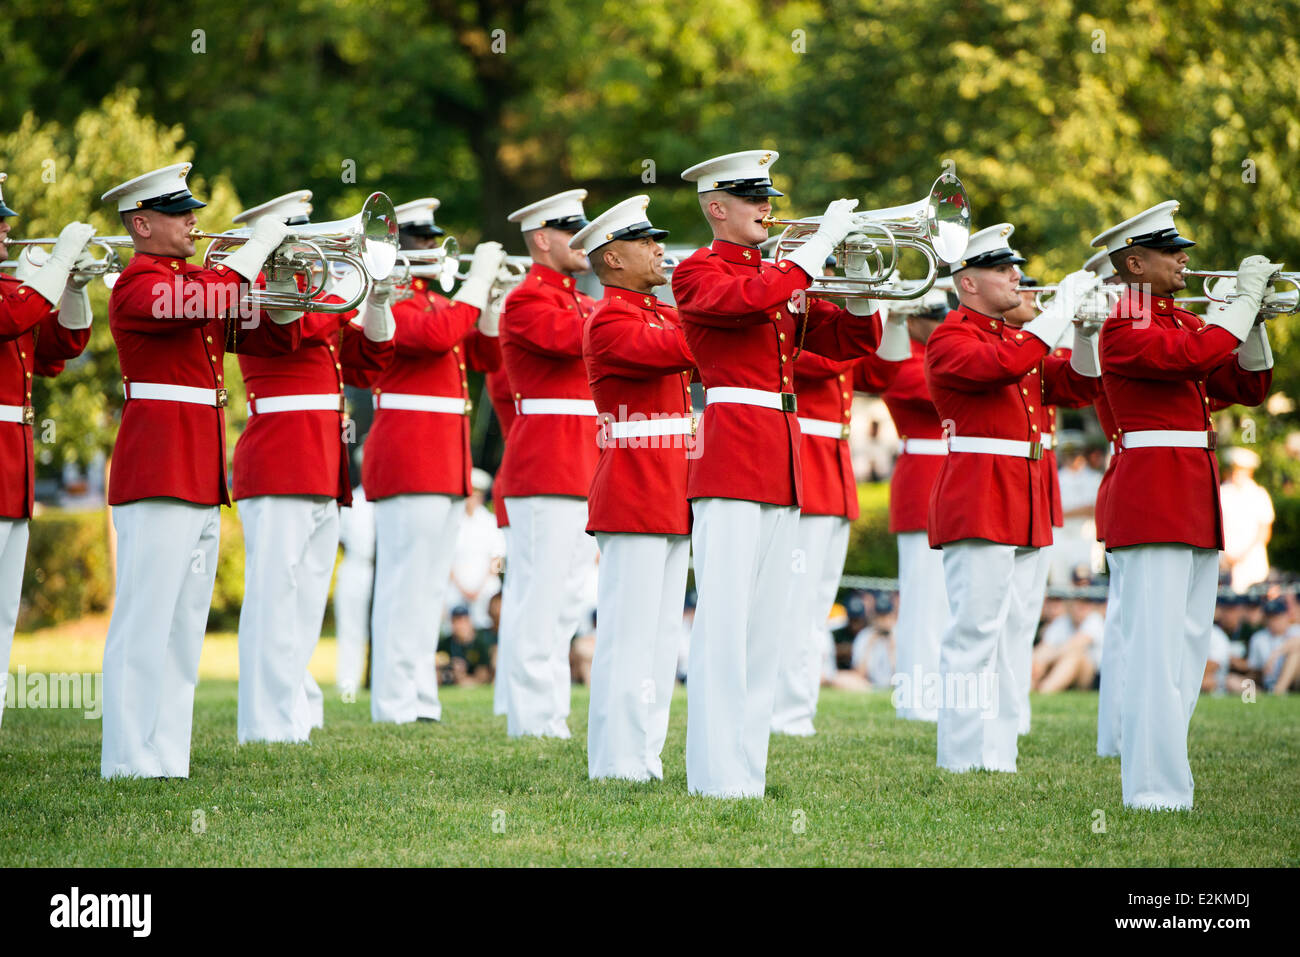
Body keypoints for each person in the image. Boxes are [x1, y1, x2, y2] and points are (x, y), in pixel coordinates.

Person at [672, 148, 902, 797]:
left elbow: (848, 342)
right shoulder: (698, 272)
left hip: (779, 458)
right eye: (752, 198)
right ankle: (715, 773)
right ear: (718, 207)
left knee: (766, 627)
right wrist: (815, 245)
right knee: (725, 623)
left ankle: (746, 770)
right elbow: (748, 300)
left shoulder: (778, 276)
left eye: (767, 197)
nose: (767, 209)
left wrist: (855, 275)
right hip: (730, 455)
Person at [99, 162, 303, 778]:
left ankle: (166, 757)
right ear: (141, 224)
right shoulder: (139, 286)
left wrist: (291, 281)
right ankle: (128, 758)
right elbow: (209, 298)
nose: (193, 220)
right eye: (177, 212)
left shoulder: (195, 283)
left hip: (196, 472)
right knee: (145, 621)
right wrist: (258, 246)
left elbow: (269, 340)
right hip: (159, 468)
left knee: (184, 625)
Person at [1093, 200, 1274, 809]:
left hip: (1191, 497)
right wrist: (1238, 303)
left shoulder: (1179, 322)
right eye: (1172, 252)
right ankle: (1151, 788)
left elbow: (1243, 386)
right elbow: (1196, 360)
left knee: (1188, 645)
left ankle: (1168, 779)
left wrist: (1254, 320)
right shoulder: (1124, 323)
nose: (1184, 259)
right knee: (1154, 650)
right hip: (1151, 497)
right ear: (1135, 264)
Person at [925, 222, 1102, 774]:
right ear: (968, 282)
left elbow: (1079, 386)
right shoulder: (952, 337)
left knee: (1014, 637)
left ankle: (998, 757)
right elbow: (1002, 367)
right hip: (980, 495)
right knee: (974, 633)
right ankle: (960, 757)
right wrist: (1060, 311)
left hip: (1024, 498)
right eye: (1003, 269)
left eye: (1014, 267)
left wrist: (1089, 331)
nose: (1017, 276)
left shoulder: (1011, 340)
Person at [230, 190, 395, 743]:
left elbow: (368, 364)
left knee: (304, 599)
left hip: (321, 460)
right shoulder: (254, 297)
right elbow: (283, 332)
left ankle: (296, 710)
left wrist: (378, 302)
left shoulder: (318, 299)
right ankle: (266, 722)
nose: (310, 246)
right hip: (279, 458)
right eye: (295, 235)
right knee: (274, 596)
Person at [363, 197, 505, 724]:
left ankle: (419, 696)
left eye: (430, 240)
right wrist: (477, 284)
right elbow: (439, 337)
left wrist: (488, 299)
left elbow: (486, 358)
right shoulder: (388, 298)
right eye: (421, 241)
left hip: (441, 459)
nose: (431, 249)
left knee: (426, 588)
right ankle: (393, 702)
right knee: (404, 584)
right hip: (410, 455)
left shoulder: (433, 301)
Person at [573, 195, 694, 781]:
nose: (658, 249)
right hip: (634, 486)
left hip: (672, 487)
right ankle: (617, 761)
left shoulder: (660, 312)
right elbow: (687, 350)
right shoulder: (611, 319)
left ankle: (646, 755)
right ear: (613, 258)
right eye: (646, 242)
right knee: (627, 635)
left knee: (663, 636)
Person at [773, 304, 909, 736]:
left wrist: (895, 321)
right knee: (795, 604)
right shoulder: (796, 323)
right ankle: (786, 712)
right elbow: (823, 362)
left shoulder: (835, 327)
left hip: (832, 469)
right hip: (806, 462)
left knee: (814, 605)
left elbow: (882, 375)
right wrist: (869, 314)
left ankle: (798, 707)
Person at [498, 189, 601, 739]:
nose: (583, 242)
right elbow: (576, 343)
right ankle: (533, 719)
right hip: (547, 464)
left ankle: (548, 713)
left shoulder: (583, 301)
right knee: (540, 599)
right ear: (542, 239)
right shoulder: (526, 301)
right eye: (571, 231)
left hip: (581, 462)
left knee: (566, 601)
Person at [0, 173, 96, 727]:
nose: (7, 232)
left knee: (3, 613)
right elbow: (14, 318)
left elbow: (60, 348)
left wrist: (75, 288)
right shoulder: (12, 298)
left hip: (15, 468)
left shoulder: (13, 290)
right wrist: (55, 263)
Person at [859, 287, 951, 721]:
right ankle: (917, 700)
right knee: (923, 601)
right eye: (932, 316)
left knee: (949, 603)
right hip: (924, 480)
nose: (941, 324)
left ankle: (945, 696)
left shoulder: (938, 352)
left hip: (953, 479)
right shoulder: (906, 358)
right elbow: (944, 388)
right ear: (912, 318)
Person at [334, 461, 375, 702]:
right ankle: (348, 684)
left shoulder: (387, 501)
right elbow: (339, 538)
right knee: (351, 629)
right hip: (356, 566)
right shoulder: (353, 500)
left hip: (383, 569)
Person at [446, 467, 506, 631]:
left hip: (484, 587)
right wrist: (462, 588)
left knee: (492, 609)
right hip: (456, 587)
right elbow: (445, 558)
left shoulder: (490, 521)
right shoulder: (452, 521)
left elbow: (498, 559)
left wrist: (481, 586)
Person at [1219, 446, 1274, 593]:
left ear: (1250, 471)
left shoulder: (1259, 494)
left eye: (1242, 469)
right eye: (1235, 468)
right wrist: (1227, 555)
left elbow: (1264, 532)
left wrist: (1242, 555)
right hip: (1224, 561)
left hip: (1251, 562)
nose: (1237, 473)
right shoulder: (1221, 493)